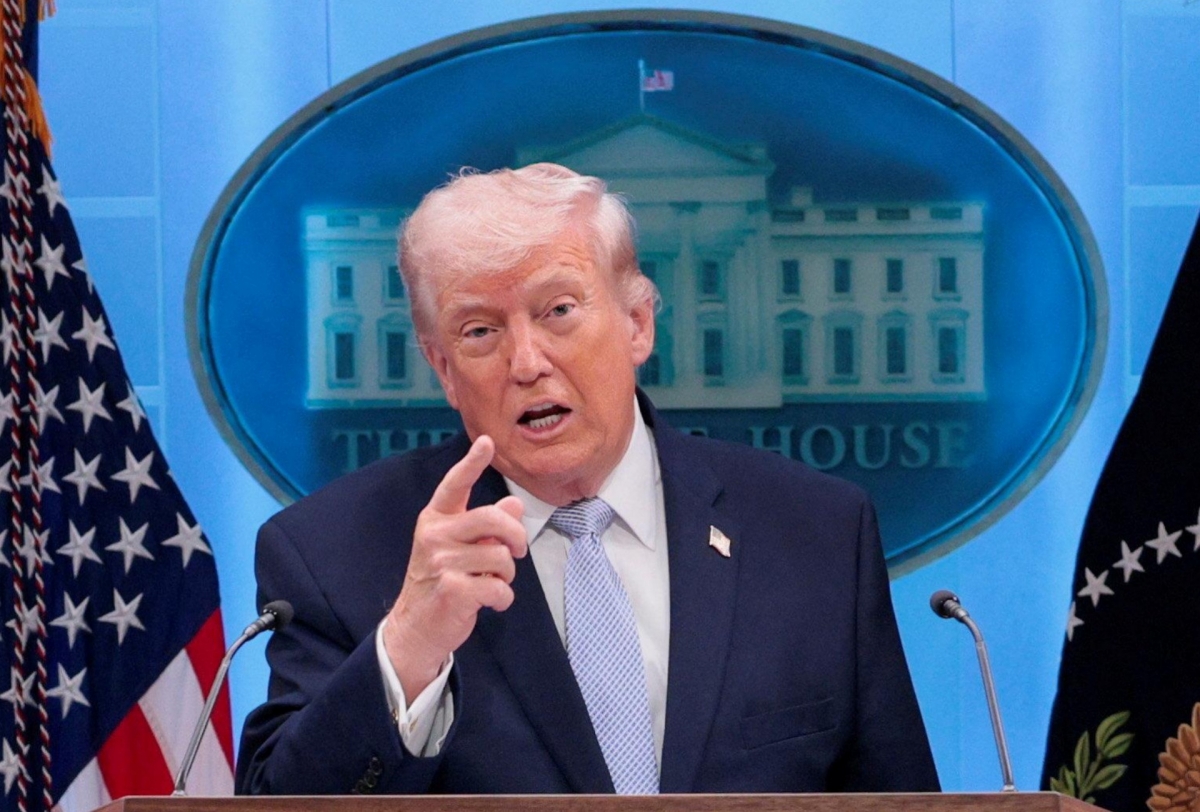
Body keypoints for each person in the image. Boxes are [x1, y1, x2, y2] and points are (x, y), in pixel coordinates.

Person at [236, 163, 940, 796]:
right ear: (443, 368)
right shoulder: (332, 554)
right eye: (479, 331)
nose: (526, 362)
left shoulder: (816, 532)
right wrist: (410, 646)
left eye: (558, 311)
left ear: (637, 323)